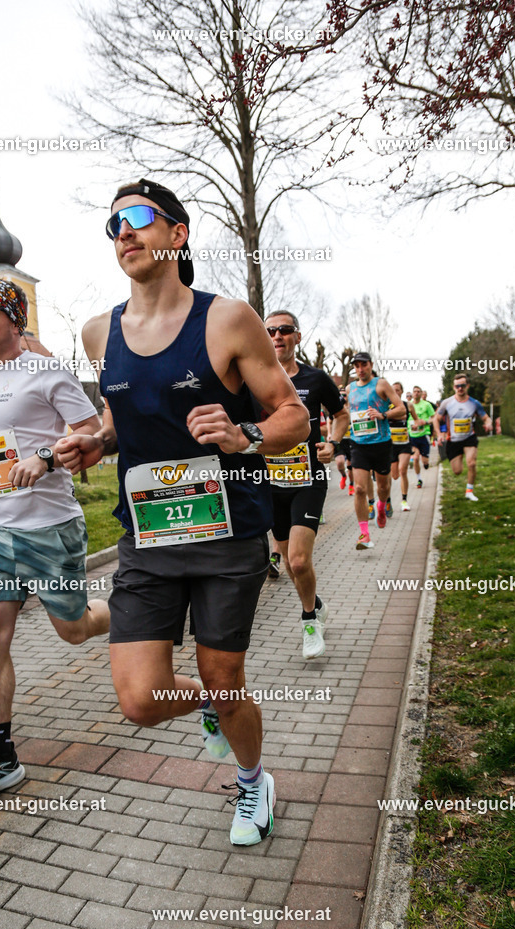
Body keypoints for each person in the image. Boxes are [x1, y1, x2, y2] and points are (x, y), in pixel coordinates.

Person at [56, 179, 309, 846]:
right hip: (148, 532)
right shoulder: (96, 331)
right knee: (140, 701)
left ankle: (252, 780)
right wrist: (96, 440)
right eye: (112, 225)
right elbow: (121, 416)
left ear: (177, 234)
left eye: (138, 218)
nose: (123, 232)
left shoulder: (225, 319)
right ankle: (215, 707)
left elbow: (293, 414)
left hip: (226, 532)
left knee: (223, 677)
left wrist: (245, 434)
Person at [0, 279, 110, 798]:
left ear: (15, 320)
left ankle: (126, 614)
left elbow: (93, 432)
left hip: (50, 528)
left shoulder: (46, 371)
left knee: (73, 631)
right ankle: (1, 753)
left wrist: (48, 457)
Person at [260, 311, 348, 659]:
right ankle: (317, 604)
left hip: (308, 479)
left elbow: (340, 415)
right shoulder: (253, 381)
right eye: (270, 331)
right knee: (283, 556)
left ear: (297, 337)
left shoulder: (316, 378)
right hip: (269, 482)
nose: (277, 336)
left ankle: (309, 619)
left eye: (284, 330)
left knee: (298, 561)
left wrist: (333, 443)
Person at [347, 352, 404, 550]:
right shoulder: (350, 389)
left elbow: (401, 408)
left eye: (364, 365)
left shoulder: (381, 384)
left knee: (383, 488)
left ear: (370, 365)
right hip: (358, 444)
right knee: (360, 489)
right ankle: (364, 534)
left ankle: (381, 505)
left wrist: (382, 414)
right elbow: (346, 413)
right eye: (357, 366)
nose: (360, 369)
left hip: (381, 443)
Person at [433, 373, 492, 501]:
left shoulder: (474, 403)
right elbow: (436, 419)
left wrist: (488, 423)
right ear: (454, 387)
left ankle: (469, 491)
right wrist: (439, 434)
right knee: (457, 471)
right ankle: (460, 458)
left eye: (462, 386)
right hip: (453, 441)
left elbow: (486, 417)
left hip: (469, 438)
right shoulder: (447, 403)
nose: (460, 388)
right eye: (457, 386)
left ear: (467, 386)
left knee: (471, 463)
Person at [389, 382, 418, 512]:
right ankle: (388, 500)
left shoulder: (408, 405)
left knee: (403, 470)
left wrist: (415, 424)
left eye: (398, 390)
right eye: (393, 390)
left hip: (404, 443)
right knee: (394, 475)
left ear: (401, 392)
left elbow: (416, 420)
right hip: (390, 445)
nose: (395, 392)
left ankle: (404, 500)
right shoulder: (386, 406)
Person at [408, 385, 435, 488]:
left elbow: (434, 418)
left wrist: (426, 422)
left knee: (425, 461)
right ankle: (419, 479)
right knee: (415, 458)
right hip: (412, 435)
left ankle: (426, 463)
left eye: (418, 391)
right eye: (415, 391)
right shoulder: (409, 406)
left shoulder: (427, 405)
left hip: (424, 435)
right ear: (412, 393)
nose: (416, 393)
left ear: (421, 393)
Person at [331, 393, 354, 496]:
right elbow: (330, 422)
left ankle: (351, 485)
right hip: (340, 440)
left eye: (345, 395)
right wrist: (329, 435)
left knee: (351, 465)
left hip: (351, 440)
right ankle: (343, 476)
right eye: (341, 395)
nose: (343, 397)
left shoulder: (352, 408)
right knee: (339, 462)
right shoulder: (336, 408)